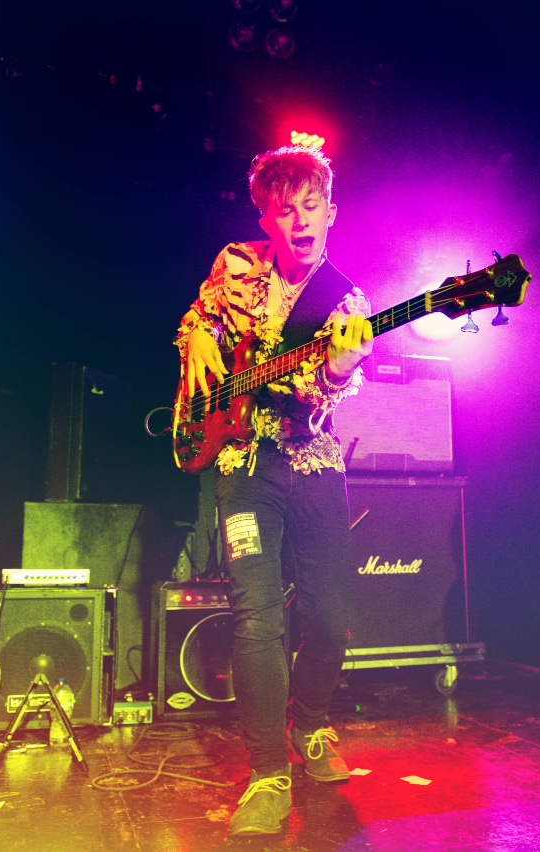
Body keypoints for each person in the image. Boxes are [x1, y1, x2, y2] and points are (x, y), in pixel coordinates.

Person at [176, 145, 373, 837]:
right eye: (285, 210)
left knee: (329, 616)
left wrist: (339, 370)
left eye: (311, 207)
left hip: (312, 459)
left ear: (330, 213)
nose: (300, 220)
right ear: (266, 217)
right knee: (257, 616)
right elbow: (200, 319)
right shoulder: (236, 263)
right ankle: (266, 774)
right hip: (242, 459)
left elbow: (329, 391)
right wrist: (198, 339)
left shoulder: (348, 302)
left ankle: (310, 726)